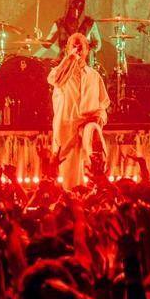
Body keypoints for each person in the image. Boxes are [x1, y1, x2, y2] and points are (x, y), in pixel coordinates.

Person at [47, 31, 109, 188]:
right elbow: (55, 79)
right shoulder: (61, 73)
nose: (78, 50)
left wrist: (99, 119)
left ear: (87, 50)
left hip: (88, 129)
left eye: (81, 47)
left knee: (89, 171)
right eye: (74, 46)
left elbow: (103, 104)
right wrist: (70, 59)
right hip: (66, 129)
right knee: (67, 174)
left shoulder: (94, 76)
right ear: (68, 49)